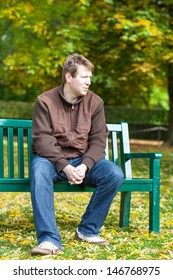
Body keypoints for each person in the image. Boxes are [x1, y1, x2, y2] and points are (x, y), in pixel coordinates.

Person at [30, 53, 124, 256]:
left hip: (83, 161)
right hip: (51, 161)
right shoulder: (44, 101)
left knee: (114, 174)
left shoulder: (95, 103)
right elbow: (43, 140)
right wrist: (65, 166)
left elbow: (99, 140)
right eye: (84, 77)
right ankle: (49, 239)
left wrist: (84, 166)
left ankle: (87, 230)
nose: (89, 82)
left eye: (90, 77)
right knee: (38, 171)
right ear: (68, 77)